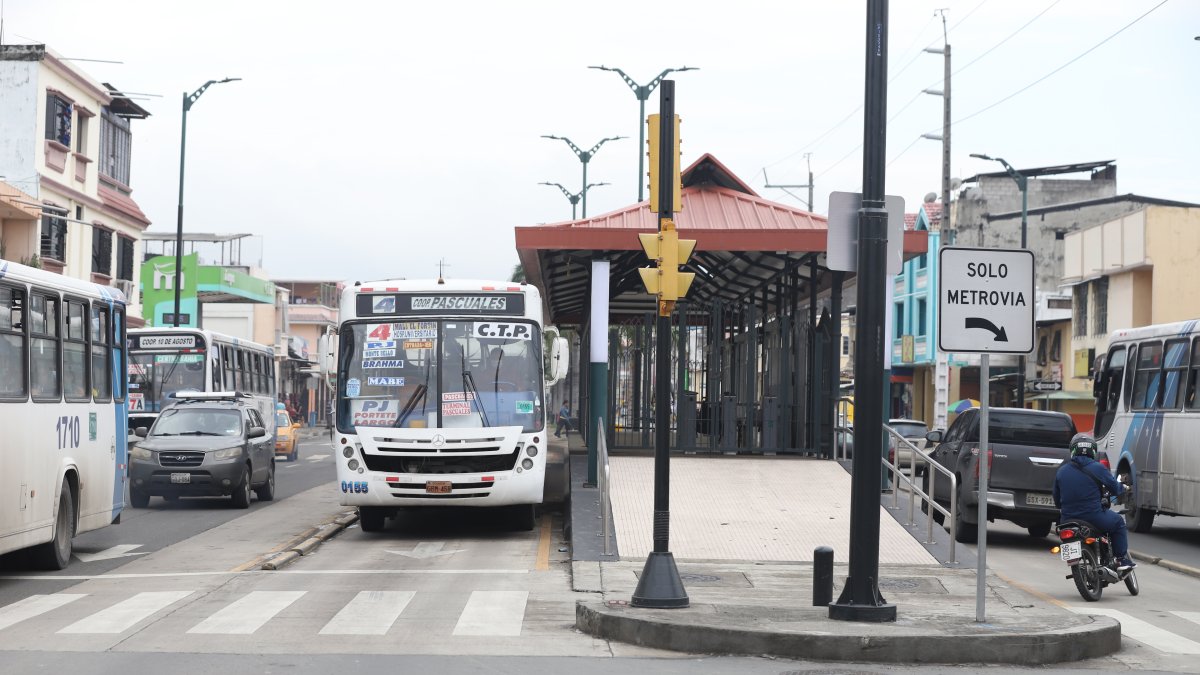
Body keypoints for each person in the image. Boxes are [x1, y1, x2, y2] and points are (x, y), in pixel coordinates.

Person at [1052, 432, 1134, 571]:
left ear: (1072, 450)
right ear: (1093, 450)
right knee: (1119, 523)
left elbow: (1057, 499)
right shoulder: (1098, 468)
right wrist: (1123, 489)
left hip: (1067, 520)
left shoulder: (1062, 471)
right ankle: (1121, 560)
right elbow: (1115, 488)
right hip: (1093, 516)